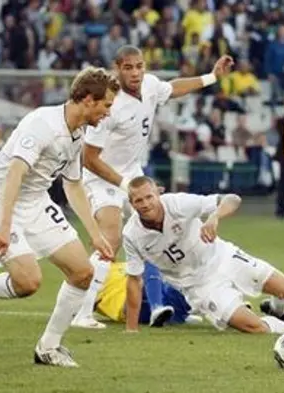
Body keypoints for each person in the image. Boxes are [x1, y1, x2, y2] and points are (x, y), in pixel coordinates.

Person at [0, 67, 118, 368]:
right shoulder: (42, 124)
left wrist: (96, 234)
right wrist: (4, 226)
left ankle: (49, 347)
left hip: (34, 202)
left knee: (83, 273)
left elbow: (72, 184)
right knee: (28, 282)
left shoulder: (78, 132)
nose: (108, 112)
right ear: (88, 99)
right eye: (106, 105)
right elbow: (14, 173)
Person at [72, 45, 234, 329]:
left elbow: (172, 88)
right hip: (102, 178)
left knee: (157, 229)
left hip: (132, 173)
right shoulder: (108, 104)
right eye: (128, 67)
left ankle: (169, 303)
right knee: (111, 238)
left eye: (139, 66)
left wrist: (211, 77)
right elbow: (89, 158)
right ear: (117, 68)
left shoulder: (149, 86)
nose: (135, 72)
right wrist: (125, 185)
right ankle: (82, 312)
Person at [122, 176, 284, 334]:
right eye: (138, 200)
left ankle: (278, 311)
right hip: (199, 286)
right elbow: (134, 279)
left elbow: (232, 199)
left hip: (224, 257)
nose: (145, 204)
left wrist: (215, 216)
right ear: (131, 203)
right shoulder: (132, 235)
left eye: (149, 197)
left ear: (158, 194)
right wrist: (131, 328)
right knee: (255, 327)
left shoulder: (177, 204)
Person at [94, 261, 202, 327]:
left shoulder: (114, 264)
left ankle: (179, 314)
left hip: (155, 291)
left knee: (190, 272)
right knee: (149, 259)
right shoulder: (89, 275)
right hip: (128, 304)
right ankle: (158, 307)